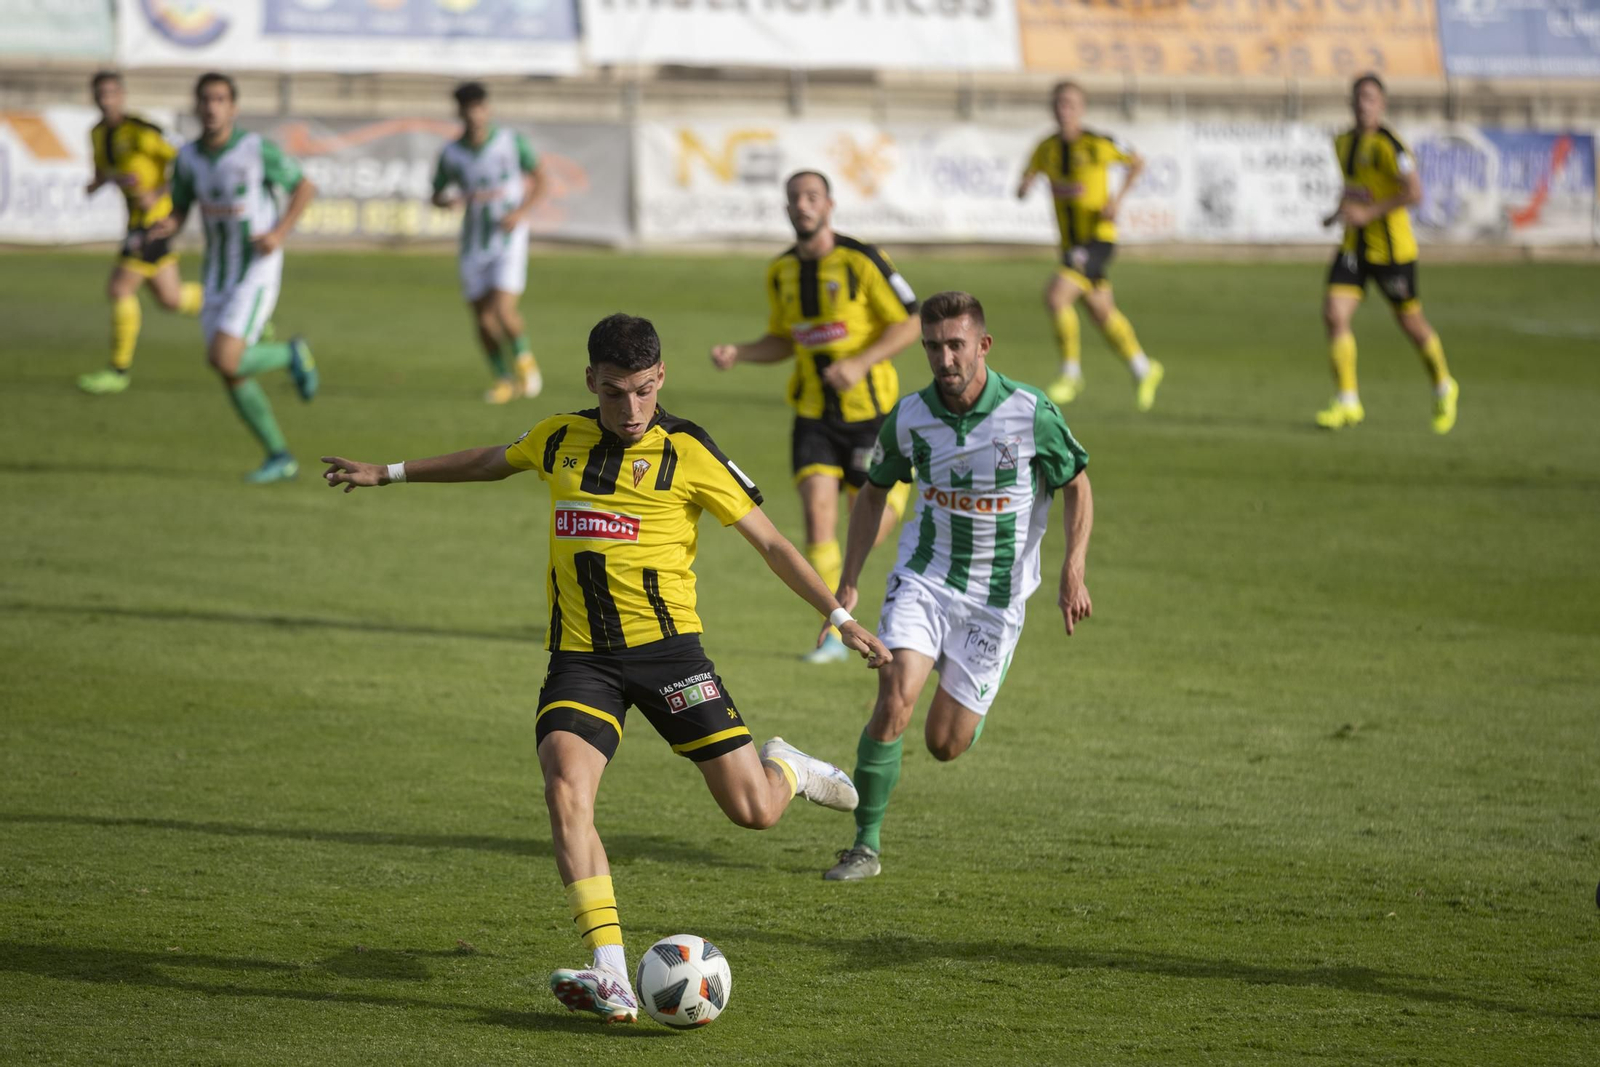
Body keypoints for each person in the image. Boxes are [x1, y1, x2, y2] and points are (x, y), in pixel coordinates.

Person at [321, 313, 893, 1023]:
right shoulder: (559, 436)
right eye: (617, 392)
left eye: (645, 391)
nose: (632, 409)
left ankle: (789, 768)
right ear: (591, 380)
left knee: (754, 811)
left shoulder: (688, 450)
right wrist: (389, 472)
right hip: (582, 659)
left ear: (661, 379)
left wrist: (839, 616)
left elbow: (772, 543)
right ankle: (611, 971)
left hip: (670, 655)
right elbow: (493, 459)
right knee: (565, 785)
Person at [820, 291, 1093, 882]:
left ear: (983, 345)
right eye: (933, 347)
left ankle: (968, 695)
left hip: (996, 601)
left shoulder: (1030, 412)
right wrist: (849, 580)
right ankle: (864, 847)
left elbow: (1076, 482)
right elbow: (873, 494)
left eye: (956, 345)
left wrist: (1073, 567)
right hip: (925, 578)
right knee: (894, 695)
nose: (944, 359)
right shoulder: (910, 417)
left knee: (944, 743)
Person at [710, 170, 919, 664]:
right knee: (817, 521)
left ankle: (892, 501)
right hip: (812, 414)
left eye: (811, 197)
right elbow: (785, 339)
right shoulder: (781, 271)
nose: (802, 205)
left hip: (871, 415)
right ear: (786, 209)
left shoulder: (862, 259)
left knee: (865, 525)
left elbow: (912, 320)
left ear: (829, 204)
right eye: (794, 198)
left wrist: (860, 362)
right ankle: (834, 633)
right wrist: (741, 353)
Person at [150, 72, 318, 483]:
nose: (212, 107)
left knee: (223, 357)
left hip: (255, 269)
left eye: (220, 99)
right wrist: (167, 225)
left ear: (233, 107)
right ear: (197, 106)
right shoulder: (188, 158)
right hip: (216, 274)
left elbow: (304, 186)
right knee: (230, 370)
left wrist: (278, 233)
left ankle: (291, 354)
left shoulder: (255, 149)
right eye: (206, 99)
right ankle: (280, 456)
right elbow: (180, 206)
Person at [1317, 74, 1459, 434]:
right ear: (1351, 103)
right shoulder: (1342, 142)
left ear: (1381, 104)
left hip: (1391, 252)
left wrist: (1369, 213)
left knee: (1411, 323)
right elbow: (1354, 188)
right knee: (1334, 313)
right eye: (1359, 97)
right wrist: (1336, 213)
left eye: (1370, 98)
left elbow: (1414, 192)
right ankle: (1348, 401)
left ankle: (1444, 386)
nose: (1363, 104)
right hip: (1354, 247)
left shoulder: (1391, 146)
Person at [1017, 81, 1163, 411]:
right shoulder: (1046, 148)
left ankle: (1071, 373)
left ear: (1081, 109)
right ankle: (1144, 368)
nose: (1064, 110)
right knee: (1101, 311)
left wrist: (1117, 200)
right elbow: (1024, 181)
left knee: (1056, 296)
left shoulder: (1098, 142)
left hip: (1099, 238)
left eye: (1070, 104)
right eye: (1059, 104)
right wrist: (1025, 185)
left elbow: (1137, 161)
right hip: (1070, 245)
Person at [77, 70, 204, 395]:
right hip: (135, 222)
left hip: (156, 221)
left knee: (120, 289)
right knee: (171, 298)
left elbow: (187, 160)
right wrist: (96, 184)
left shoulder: (142, 130)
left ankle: (118, 370)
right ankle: (239, 310)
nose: (106, 100)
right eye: (100, 94)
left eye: (111, 93)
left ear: (122, 96)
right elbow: (105, 172)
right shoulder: (97, 134)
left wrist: (159, 192)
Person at [431, 81, 544, 404]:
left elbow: (541, 178)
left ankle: (525, 363)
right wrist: (446, 201)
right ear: (460, 112)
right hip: (473, 244)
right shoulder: (452, 153)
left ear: (487, 109)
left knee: (504, 311)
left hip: (508, 240)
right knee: (482, 319)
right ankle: (503, 379)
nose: (474, 114)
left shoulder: (511, 142)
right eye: (468, 108)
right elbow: (436, 193)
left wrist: (520, 212)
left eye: (478, 107)